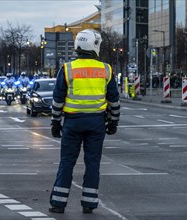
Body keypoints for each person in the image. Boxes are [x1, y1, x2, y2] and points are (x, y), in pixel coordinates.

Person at [49, 29, 120, 214]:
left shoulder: (67, 69)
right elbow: (114, 99)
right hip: (96, 123)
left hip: (72, 123)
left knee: (67, 162)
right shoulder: (106, 69)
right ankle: (89, 203)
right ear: (95, 46)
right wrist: (113, 122)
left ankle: (58, 203)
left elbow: (58, 99)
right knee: (93, 163)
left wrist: (55, 123)